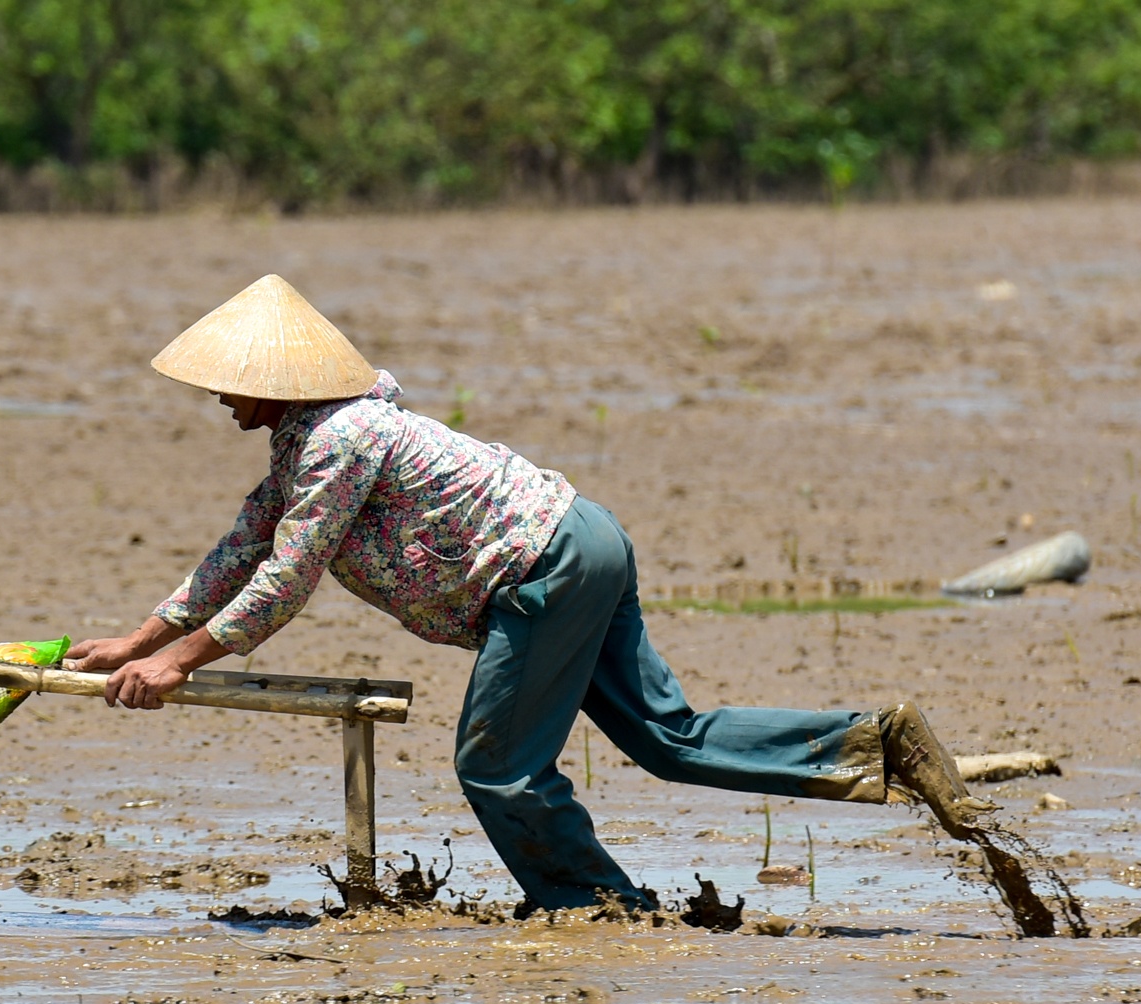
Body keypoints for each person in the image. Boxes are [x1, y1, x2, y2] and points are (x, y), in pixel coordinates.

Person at [66, 274, 990, 912]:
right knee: (670, 740)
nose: (217, 400)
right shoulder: (305, 441)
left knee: (496, 764)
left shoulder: (341, 439)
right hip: (580, 538)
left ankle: (601, 909)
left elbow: (284, 577)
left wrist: (178, 662)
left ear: (270, 381)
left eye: (225, 385)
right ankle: (873, 742)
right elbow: (244, 543)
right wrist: (138, 637)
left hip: (544, 571)